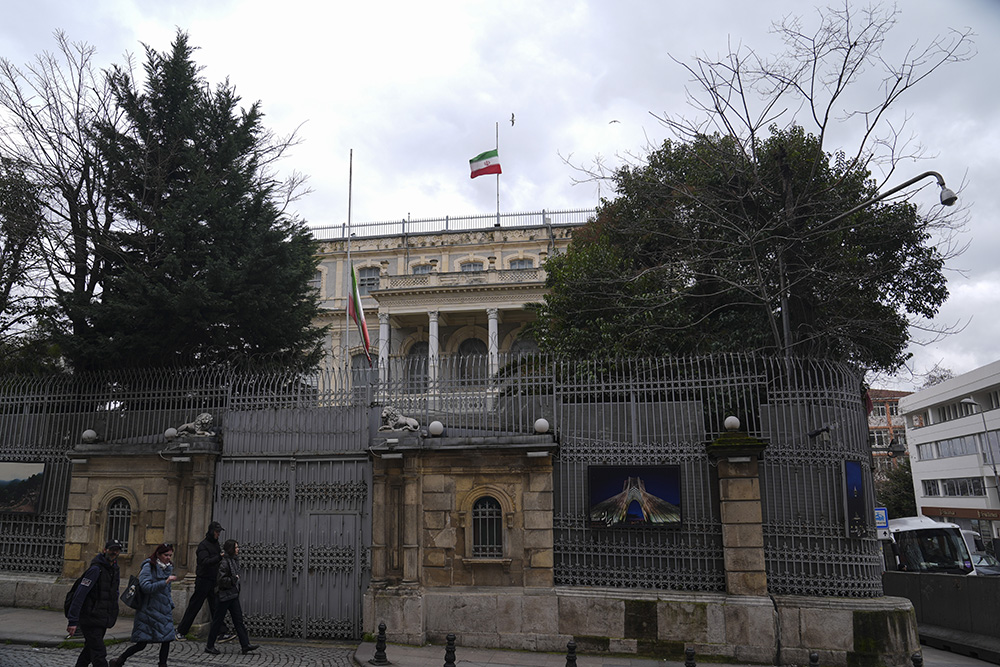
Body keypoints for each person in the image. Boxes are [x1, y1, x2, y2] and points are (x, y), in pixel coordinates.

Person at [109, 544, 177, 667]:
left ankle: (163, 665)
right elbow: (146, 587)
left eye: (170, 555)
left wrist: (170, 603)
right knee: (142, 643)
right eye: (166, 555)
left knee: (166, 640)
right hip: (148, 611)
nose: (168, 558)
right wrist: (165, 581)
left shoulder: (168, 568)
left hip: (164, 610)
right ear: (158, 554)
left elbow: (167, 590)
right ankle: (119, 660)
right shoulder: (149, 566)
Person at [174, 521, 234, 642]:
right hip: (203, 580)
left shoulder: (216, 544)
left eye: (219, 532)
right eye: (217, 532)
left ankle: (221, 632)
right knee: (194, 606)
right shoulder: (203, 545)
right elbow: (204, 561)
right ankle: (180, 631)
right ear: (212, 531)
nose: (218, 534)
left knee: (216, 607)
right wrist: (219, 557)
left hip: (213, 580)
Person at [67, 539, 122, 667]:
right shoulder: (96, 570)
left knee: (88, 652)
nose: (114, 552)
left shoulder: (114, 569)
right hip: (90, 618)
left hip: (102, 618)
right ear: (105, 551)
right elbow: (79, 595)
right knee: (99, 653)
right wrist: (73, 620)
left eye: (117, 550)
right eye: (112, 550)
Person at [204, 539, 259, 655]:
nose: (238, 549)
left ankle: (245, 645)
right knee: (217, 622)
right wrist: (234, 580)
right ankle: (209, 646)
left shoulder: (233, 560)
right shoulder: (224, 562)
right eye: (236, 547)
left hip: (232, 595)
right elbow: (221, 580)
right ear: (231, 549)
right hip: (224, 596)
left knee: (239, 621)